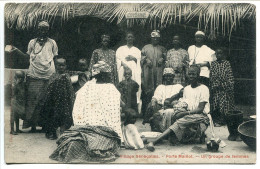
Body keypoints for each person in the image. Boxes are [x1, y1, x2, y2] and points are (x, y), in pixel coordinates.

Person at [49, 61, 122, 162]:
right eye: (108, 74)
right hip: (88, 126)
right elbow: (78, 108)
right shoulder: (89, 87)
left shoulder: (106, 88)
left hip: (103, 128)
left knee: (88, 142)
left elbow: (114, 111)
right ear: (102, 75)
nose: (109, 76)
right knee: (79, 141)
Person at [7, 21, 58, 132]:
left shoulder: (52, 43)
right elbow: (27, 57)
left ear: (48, 30)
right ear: (37, 29)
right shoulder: (32, 42)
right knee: (32, 101)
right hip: (34, 75)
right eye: (40, 28)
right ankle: (33, 126)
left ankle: (45, 125)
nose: (42, 30)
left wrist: (56, 74)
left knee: (46, 101)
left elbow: (55, 58)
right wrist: (17, 51)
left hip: (49, 75)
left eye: (45, 28)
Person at [147, 65, 210, 151]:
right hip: (189, 115)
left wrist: (184, 113)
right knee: (173, 115)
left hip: (201, 116)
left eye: (193, 74)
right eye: (189, 74)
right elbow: (185, 104)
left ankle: (154, 142)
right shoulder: (187, 89)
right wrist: (179, 110)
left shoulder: (204, 88)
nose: (191, 76)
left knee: (179, 122)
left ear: (198, 75)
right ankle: (175, 135)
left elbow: (200, 109)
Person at [39, 56, 75, 140]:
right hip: (54, 102)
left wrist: (72, 100)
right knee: (53, 117)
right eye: (59, 65)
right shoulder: (53, 76)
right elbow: (49, 88)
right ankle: (52, 133)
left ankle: (63, 133)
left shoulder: (67, 76)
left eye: (63, 65)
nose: (61, 67)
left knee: (64, 118)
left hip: (64, 102)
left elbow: (70, 90)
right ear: (55, 66)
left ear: (66, 66)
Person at [141, 30, 167, 117]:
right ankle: (146, 114)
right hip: (148, 72)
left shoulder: (162, 48)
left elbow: (166, 57)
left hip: (159, 72)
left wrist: (162, 59)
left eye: (157, 38)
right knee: (147, 91)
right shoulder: (146, 47)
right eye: (153, 38)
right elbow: (141, 57)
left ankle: (156, 113)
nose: (155, 40)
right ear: (151, 39)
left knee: (158, 89)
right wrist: (146, 59)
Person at [116, 31, 142, 112]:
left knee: (133, 87)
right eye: (128, 37)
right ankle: (122, 108)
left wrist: (134, 58)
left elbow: (139, 62)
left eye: (131, 37)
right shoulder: (120, 49)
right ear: (125, 38)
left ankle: (134, 109)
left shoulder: (137, 50)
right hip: (123, 70)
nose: (130, 38)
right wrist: (123, 64)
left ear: (133, 39)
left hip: (134, 71)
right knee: (122, 87)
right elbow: (117, 60)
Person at [210, 47, 235, 127]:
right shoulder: (213, 64)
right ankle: (218, 120)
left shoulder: (227, 63)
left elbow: (229, 75)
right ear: (215, 55)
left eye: (220, 53)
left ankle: (224, 120)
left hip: (225, 88)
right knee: (216, 104)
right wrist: (216, 84)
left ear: (223, 54)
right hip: (216, 88)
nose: (219, 55)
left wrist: (224, 84)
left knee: (225, 104)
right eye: (217, 53)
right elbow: (212, 75)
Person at [10, 70, 26, 135]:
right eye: (19, 78)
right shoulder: (14, 84)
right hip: (15, 101)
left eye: (22, 78)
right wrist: (17, 84)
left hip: (20, 101)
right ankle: (12, 130)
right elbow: (13, 93)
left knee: (17, 116)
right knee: (13, 116)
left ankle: (17, 129)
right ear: (16, 77)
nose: (21, 79)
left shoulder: (22, 84)